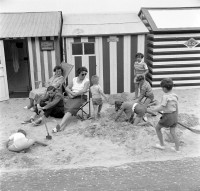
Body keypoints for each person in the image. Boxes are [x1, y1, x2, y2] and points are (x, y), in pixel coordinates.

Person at [52, 66, 90, 133]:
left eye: (85, 74)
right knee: (67, 108)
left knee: (70, 109)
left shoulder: (86, 81)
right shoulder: (74, 79)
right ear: (78, 74)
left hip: (81, 97)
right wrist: (71, 94)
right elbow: (67, 88)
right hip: (72, 95)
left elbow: (83, 90)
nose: (84, 75)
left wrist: (74, 94)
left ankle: (59, 126)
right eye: (82, 74)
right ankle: (63, 124)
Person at [151, 78, 179, 152]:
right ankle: (177, 149)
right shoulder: (175, 95)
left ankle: (162, 145)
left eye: (162, 88)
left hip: (168, 116)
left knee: (157, 128)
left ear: (164, 88)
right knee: (173, 132)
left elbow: (162, 107)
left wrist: (153, 109)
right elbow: (176, 107)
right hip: (174, 115)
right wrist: (176, 117)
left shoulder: (165, 96)